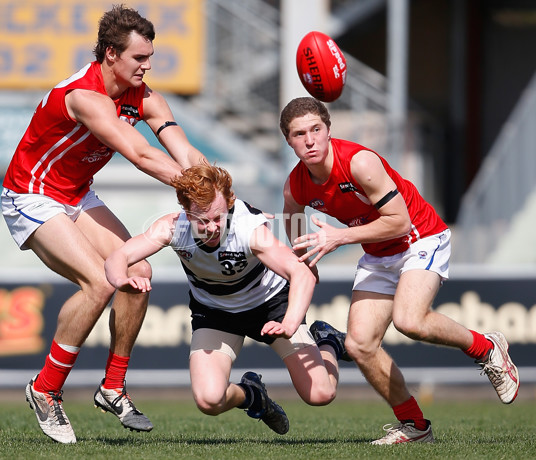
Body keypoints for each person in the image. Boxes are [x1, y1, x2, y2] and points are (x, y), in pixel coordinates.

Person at [1, 5, 208, 444]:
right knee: (99, 282)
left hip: (75, 195)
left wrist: (218, 188)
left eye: (150, 56)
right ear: (110, 55)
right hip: (31, 194)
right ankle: (45, 390)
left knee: (138, 273)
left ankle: (113, 386)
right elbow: (143, 155)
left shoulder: (145, 95)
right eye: (139, 58)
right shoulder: (86, 97)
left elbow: (183, 150)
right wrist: (201, 193)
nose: (147, 65)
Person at [279, 97, 520, 445]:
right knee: (359, 345)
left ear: (329, 130)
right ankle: (415, 426)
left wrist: (338, 237)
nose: (310, 139)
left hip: (418, 238)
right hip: (378, 254)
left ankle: (487, 348)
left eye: (316, 129)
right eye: (299, 134)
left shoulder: (360, 163)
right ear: (289, 141)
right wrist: (301, 260)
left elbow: (399, 221)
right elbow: (291, 217)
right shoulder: (296, 184)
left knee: (410, 320)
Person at [105, 163, 349, 435]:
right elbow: (119, 257)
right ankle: (252, 395)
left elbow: (301, 273)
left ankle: (328, 340)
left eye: (218, 218)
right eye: (202, 220)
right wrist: (120, 280)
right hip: (216, 313)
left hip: (271, 307)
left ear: (229, 206)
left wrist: (290, 322)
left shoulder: (249, 229)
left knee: (321, 395)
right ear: (186, 212)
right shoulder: (173, 227)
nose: (211, 227)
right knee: (209, 400)